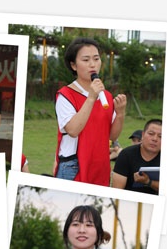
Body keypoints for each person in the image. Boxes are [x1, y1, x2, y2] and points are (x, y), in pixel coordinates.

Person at [53, 37, 126, 186]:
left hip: (100, 165)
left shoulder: (106, 96)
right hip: (74, 166)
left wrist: (120, 114)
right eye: (86, 60)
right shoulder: (65, 95)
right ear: (73, 65)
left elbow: (111, 136)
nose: (92, 64)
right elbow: (73, 130)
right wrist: (91, 97)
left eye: (96, 59)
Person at [111, 119, 162, 195]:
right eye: (151, 134)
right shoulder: (126, 154)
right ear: (143, 135)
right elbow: (116, 190)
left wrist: (148, 182)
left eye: (160, 136)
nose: (155, 139)